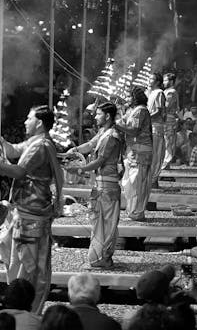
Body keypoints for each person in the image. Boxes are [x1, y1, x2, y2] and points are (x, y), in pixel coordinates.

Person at [0, 106, 63, 314]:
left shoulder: (41, 146)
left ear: (39, 122)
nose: (25, 122)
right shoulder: (35, 142)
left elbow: (19, 172)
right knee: (16, 262)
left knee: (28, 267)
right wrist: (1, 141)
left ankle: (25, 311)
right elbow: (14, 151)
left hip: (32, 215)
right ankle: (18, 307)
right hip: (23, 210)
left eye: (28, 118)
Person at [65, 103, 122, 269]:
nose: (95, 117)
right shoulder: (103, 132)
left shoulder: (112, 136)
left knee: (106, 225)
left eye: (98, 114)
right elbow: (89, 145)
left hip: (108, 186)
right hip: (100, 185)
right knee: (99, 224)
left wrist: (80, 168)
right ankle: (99, 257)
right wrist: (74, 149)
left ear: (108, 116)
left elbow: (100, 161)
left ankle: (101, 258)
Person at [116, 87, 153, 222]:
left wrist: (117, 124)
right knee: (130, 183)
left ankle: (137, 213)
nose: (127, 99)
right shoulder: (132, 110)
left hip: (141, 151)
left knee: (137, 183)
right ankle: (132, 211)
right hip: (132, 150)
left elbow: (134, 130)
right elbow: (123, 122)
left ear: (136, 97)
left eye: (129, 96)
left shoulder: (141, 110)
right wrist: (118, 111)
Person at [146, 73, 167, 188]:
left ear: (158, 82)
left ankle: (154, 179)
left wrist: (147, 117)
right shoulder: (150, 92)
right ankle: (150, 178)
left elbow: (159, 111)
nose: (149, 80)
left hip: (156, 126)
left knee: (156, 153)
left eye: (152, 79)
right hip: (149, 126)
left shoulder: (159, 93)